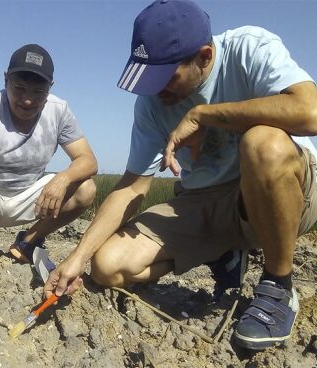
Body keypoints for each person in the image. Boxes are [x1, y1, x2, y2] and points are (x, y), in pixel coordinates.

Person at [44, 0, 317, 350]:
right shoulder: (152, 103)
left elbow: (309, 111)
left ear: (204, 56)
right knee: (108, 266)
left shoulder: (249, 47)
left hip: (286, 193)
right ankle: (222, 251)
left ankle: (279, 285)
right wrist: (77, 258)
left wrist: (206, 115)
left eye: (166, 77)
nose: (158, 91)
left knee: (264, 143)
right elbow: (130, 188)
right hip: (203, 201)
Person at [0, 44, 97, 278]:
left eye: (38, 92)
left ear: (50, 88)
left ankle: (28, 242)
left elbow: (88, 160)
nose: (27, 100)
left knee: (86, 187)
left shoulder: (59, 110)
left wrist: (63, 179)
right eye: (19, 88)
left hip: (32, 201)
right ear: (6, 80)